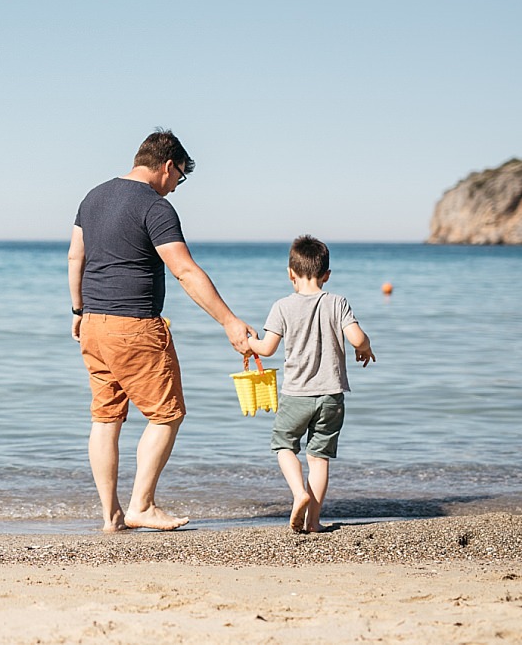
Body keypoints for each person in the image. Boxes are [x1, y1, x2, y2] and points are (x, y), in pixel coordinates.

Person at [68, 129, 254, 532]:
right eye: (180, 178)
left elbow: (75, 256)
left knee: (105, 419)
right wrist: (229, 321)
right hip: (135, 325)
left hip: (94, 324)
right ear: (168, 165)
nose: (175, 188)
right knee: (167, 415)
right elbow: (185, 271)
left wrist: (78, 310)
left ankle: (111, 515)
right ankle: (142, 505)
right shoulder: (155, 208)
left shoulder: (93, 197)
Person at [247, 235, 376, 533]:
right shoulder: (338, 302)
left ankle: (298, 493)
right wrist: (364, 347)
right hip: (331, 396)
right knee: (319, 459)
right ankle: (314, 521)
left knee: (283, 445)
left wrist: (249, 342)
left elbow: (266, 349)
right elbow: (356, 337)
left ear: (290, 273)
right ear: (326, 275)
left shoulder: (282, 306)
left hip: (296, 395)